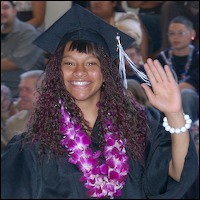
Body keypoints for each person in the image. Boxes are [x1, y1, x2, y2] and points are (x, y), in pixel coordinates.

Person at [1, 4, 198, 199]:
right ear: (56, 72)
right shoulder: (33, 147)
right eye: (69, 63)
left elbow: (176, 176)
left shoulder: (138, 128)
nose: (80, 71)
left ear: (106, 72)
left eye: (91, 63)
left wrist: (174, 113)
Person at [156, 16, 199, 122]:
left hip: (193, 100)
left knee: (186, 94)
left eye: (181, 33)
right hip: (166, 98)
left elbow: (193, 83)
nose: (176, 37)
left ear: (192, 34)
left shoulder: (197, 55)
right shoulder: (162, 58)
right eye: (171, 33)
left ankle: (188, 135)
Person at [1, 1, 45, 98]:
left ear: (14, 11)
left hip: (21, 95)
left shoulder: (29, 33)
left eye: (5, 8)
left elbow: (14, 63)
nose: (2, 12)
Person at [5, 70, 44, 146]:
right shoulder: (14, 122)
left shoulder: (63, 121)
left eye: (27, 89)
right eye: (21, 89)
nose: (22, 94)